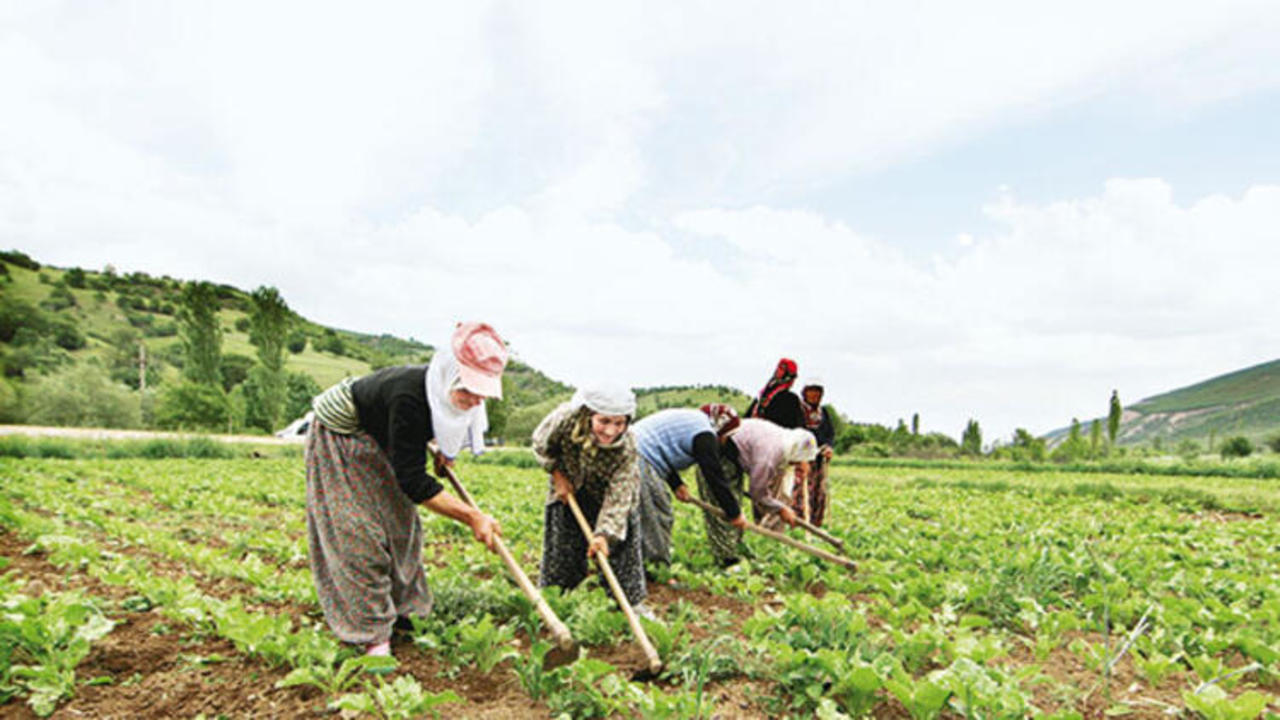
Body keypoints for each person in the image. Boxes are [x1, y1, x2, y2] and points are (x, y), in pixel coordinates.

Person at [305, 322, 506, 659]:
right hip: (342, 434)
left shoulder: (464, 399)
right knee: (358, 532)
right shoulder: (409, 397)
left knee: (402, 527)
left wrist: (446, 451)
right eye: (466, 392)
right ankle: (370, 634)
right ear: (448, 379)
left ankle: (407, 614)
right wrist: (471, 516)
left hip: (383, 434)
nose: (474, 401)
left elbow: (451, 422)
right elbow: (412, 481)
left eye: (480, 393)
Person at [534, 384, 652, 617]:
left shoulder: (627, 446)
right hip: (568, 482)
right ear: (589, 415)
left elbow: (619, 495)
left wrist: (604, 535)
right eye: (604, 421)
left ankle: (630, 603)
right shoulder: (565, 420)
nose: (610, 431)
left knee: (622, 544)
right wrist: (558, 476)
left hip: (608, 492)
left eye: (619, 423)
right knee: (562, 542)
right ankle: (555, 599)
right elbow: (541, 445)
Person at [633, 406, 748, 571]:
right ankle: (656, 569)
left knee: (638, 513)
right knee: (658, 513)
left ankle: (637, 563)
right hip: (639, 456)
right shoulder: (705, 435)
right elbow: (714, 476)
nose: (726, 441)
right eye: (729, 436)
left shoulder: (695, 422)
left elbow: (662, 445)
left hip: (638, 451)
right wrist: (734, 513)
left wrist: (676, 484)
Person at [699, 415, 818, 564]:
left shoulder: (785, 440)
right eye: (798, 461)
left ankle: (734, 550)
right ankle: (726, 559)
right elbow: (757, 492)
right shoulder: (769, 456)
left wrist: (780, 507)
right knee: (724, 507)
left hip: (733, 454)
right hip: (716, 455)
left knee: (734, 505)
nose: (797, 464)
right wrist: (781, 509)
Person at [793, 377, 836, 526]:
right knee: (802, 493)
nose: (814, 395)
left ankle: (816, 524)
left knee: (819, 493)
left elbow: (829, 434)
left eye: (817, 392)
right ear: (805, 393)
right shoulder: (798, 411)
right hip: (802, 459)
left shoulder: (823, 412)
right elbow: (796, 432)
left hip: (819, 459)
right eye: (811, 391)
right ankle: (799, 523)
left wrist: (828, 447)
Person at [744, 358, 804, 429]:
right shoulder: (763, 395)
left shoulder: (790, 399)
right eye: (779, 368)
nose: (778, 372)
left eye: (781, 369)